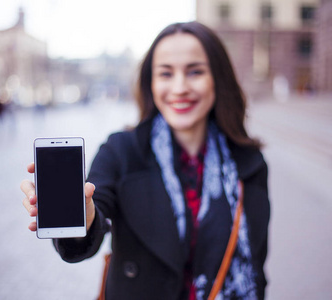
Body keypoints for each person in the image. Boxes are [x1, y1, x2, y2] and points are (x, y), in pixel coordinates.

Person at [21, 21, 270, 300]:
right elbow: (93, 221)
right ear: (150, 83)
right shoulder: (121, 150)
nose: (179, 87)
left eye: (195, 72)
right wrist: (83, 214)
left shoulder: (249, 163)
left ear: (218, 78)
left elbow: (257, 266)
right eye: (165, 73)